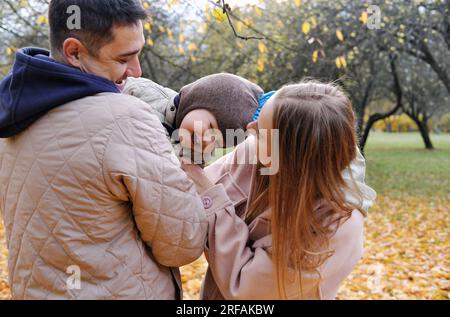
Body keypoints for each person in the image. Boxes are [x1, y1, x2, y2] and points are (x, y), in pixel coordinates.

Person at [0, 0, 218, 299]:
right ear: (74, 52)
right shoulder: (126, 118)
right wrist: (190, 162)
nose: (136, 71)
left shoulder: (12, 120)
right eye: (124, 58)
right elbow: (182, 243)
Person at [183, 80, 377, 299]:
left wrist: (213, 202)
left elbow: (249, 291)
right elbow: (190, 191)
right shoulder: (255, 153)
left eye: (262, 132)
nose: (249, 129)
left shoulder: (336, 227)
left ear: (291, 159)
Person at [122, 73, 267, 164]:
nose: (206, 141)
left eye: (216, 142)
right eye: (210, 128)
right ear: (194, 101)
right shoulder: (143, 93)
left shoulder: (194, 159)